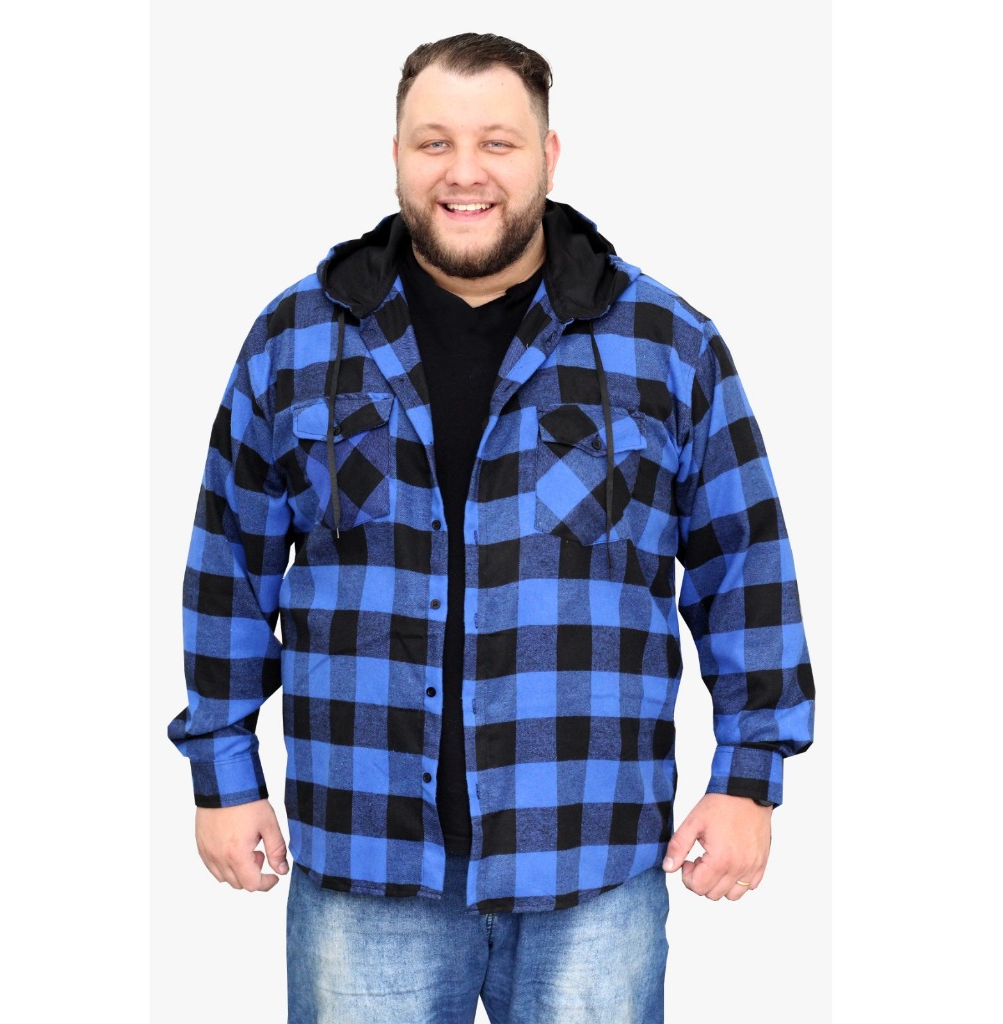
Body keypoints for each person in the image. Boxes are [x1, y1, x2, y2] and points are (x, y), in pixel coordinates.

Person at [168, 31, 814, 1024]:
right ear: (395, 155)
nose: (464, 172)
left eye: (497, 143)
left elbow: (745, 563)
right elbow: (229, 563)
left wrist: (749, 777)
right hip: (365, 862)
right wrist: (222, 774)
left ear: (547, 157)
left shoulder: (666, 344)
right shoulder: (294, 341)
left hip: (591, 863)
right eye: (434, 142)